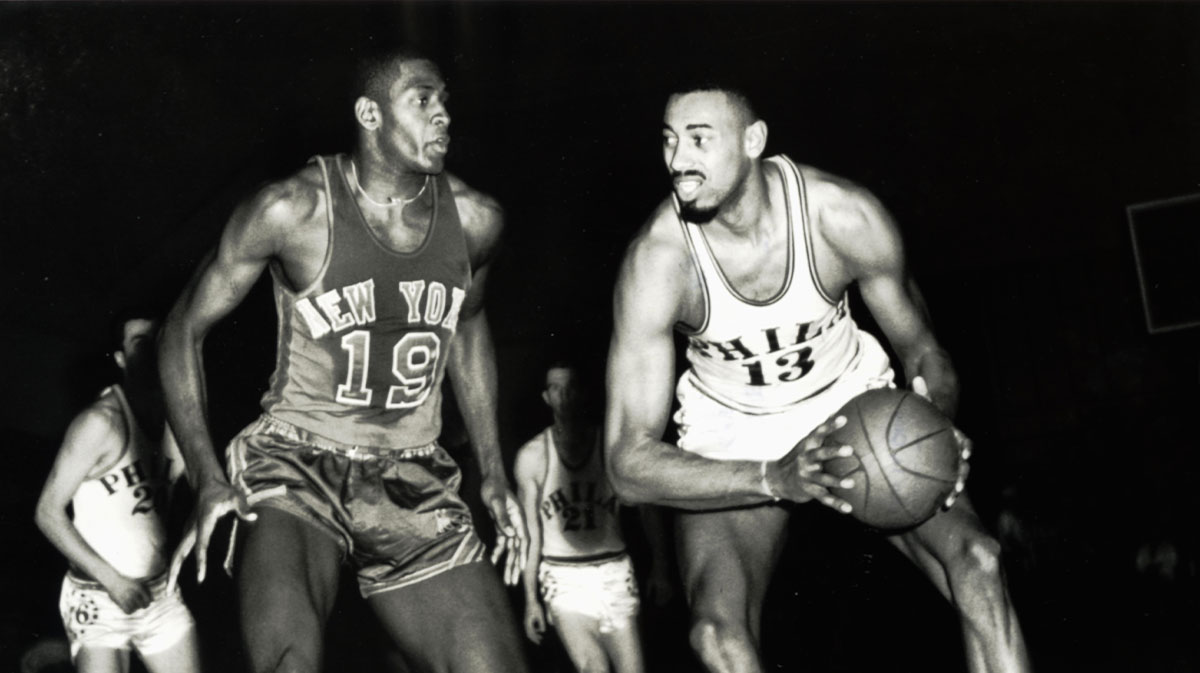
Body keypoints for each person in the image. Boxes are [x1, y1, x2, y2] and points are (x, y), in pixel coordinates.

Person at [605, 83, 1031, 673]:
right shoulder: (657, 260)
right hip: (735, 430)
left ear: (753, 141)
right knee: (715, 637)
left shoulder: (841, 215)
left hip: (853, 403)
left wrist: (936, 419)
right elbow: (626, 464)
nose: (679, 160)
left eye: (700, 140)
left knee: (979, 561)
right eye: (670, 141)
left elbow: (924, 351)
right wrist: (773, 477)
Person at [158, 50, 528, 673]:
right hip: (296, 466)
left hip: (413, 476)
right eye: (422, 100)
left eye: (446, 102)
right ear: (370, 114)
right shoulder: (291, 209)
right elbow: (179, 332)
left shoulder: (476, 220)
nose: (442, 115)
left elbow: (468, 326)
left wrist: (492, 467)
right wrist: (207, 478)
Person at [35, 313, 202, 673]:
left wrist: (189, 535)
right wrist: (113, 580)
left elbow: (203, 491)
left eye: (158, 343)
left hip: (160, 597)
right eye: (140, 345)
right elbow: (47, 512)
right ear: (122, 359)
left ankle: (58, 652)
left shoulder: (182, 420)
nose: (151, 354)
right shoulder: (101, 423)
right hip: (98, 597)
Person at [514, 362, 672, 673]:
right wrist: (530, 597)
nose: (565, 395)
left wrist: (661, 567)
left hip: (615, 573)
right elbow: (530, 535)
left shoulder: (612, 447)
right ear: (547, 398)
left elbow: (647, 511)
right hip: (565, 578)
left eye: (571, 387)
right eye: (556, 389)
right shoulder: (532, 456)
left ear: (583, 393)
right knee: (593, 667)